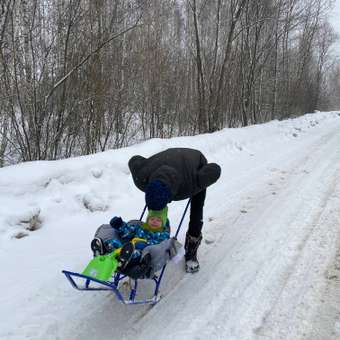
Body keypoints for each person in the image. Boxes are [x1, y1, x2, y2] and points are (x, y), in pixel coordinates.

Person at [128, 148, 221, 273]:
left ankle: (192, 248)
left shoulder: (192, 182)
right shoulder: (142, 178)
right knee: (155, 214)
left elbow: (215, 169)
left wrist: (206, 174)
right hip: (164, 162)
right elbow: (134, 160)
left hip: (194, 165)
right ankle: (151, 237)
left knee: (197, 210)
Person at [91, 207, 179, 279]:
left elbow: (160, 247)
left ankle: (123, 258)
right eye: (152, 219)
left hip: (143, 254)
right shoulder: (141, 227)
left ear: (163, 223)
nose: (154, 222)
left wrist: (145, 245)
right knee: (115, 243)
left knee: (135, 253)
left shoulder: (163, 235)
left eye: (158, 220)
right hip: (128, 247)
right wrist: (120, 225)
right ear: (147, 220)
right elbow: (129, 231)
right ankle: (105, 249)